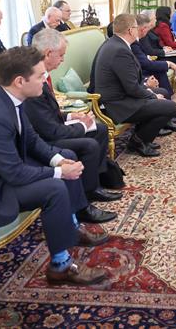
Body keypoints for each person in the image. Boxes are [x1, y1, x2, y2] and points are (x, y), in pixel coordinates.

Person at [0, 46, 109, 286]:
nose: (45, 80)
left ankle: (71, 227)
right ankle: (61, 266)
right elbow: (14, 173)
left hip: (0, 171)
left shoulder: (10, 98)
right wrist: (60, 172)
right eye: (41, 76)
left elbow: (31, 141)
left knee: (67, 155)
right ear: (20, 81)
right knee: (55, 187)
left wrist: (58, 160)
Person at [24, 29, 120, 224]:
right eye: (61, 55)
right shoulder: (33, 79)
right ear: (48, 53)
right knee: (89, 144)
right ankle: (82, 204)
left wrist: (71, 115)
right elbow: (49, 130)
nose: (62, 60)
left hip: (50, 128)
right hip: (43, 139)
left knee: (100, 130)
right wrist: (82, 127)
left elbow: (49, 114)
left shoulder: (44, 74)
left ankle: (93, 186)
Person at [93, 14, 176, 157]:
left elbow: (130, 82)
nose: (138, 30)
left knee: (162, 92)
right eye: (135, 27)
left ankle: (142, 136)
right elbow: (132, 88)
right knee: (170, 107)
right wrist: (152, 95)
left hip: (123, 95)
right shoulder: (120, 50)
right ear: (130, 30)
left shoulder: (116, 44)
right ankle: (138, 141)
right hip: (118, 104)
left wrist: (151, 92)